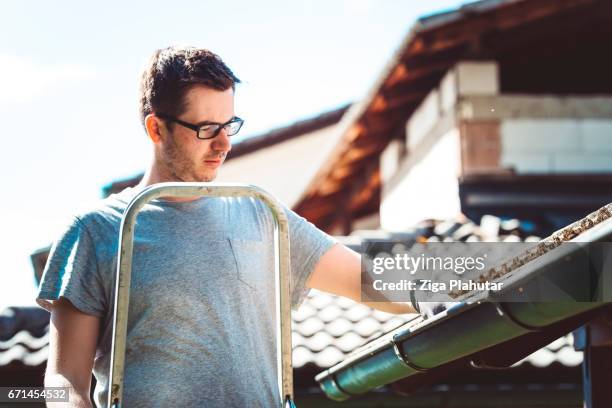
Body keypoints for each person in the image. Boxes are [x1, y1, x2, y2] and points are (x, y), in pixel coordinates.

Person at [36, 46, 415, 408]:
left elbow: (373, 279)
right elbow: (63, 380)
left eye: (229, 124)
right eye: (205, 129)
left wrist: (471, 270)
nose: (224, 144)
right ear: (156, 129)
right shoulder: (97, 230)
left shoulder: (262, 216)